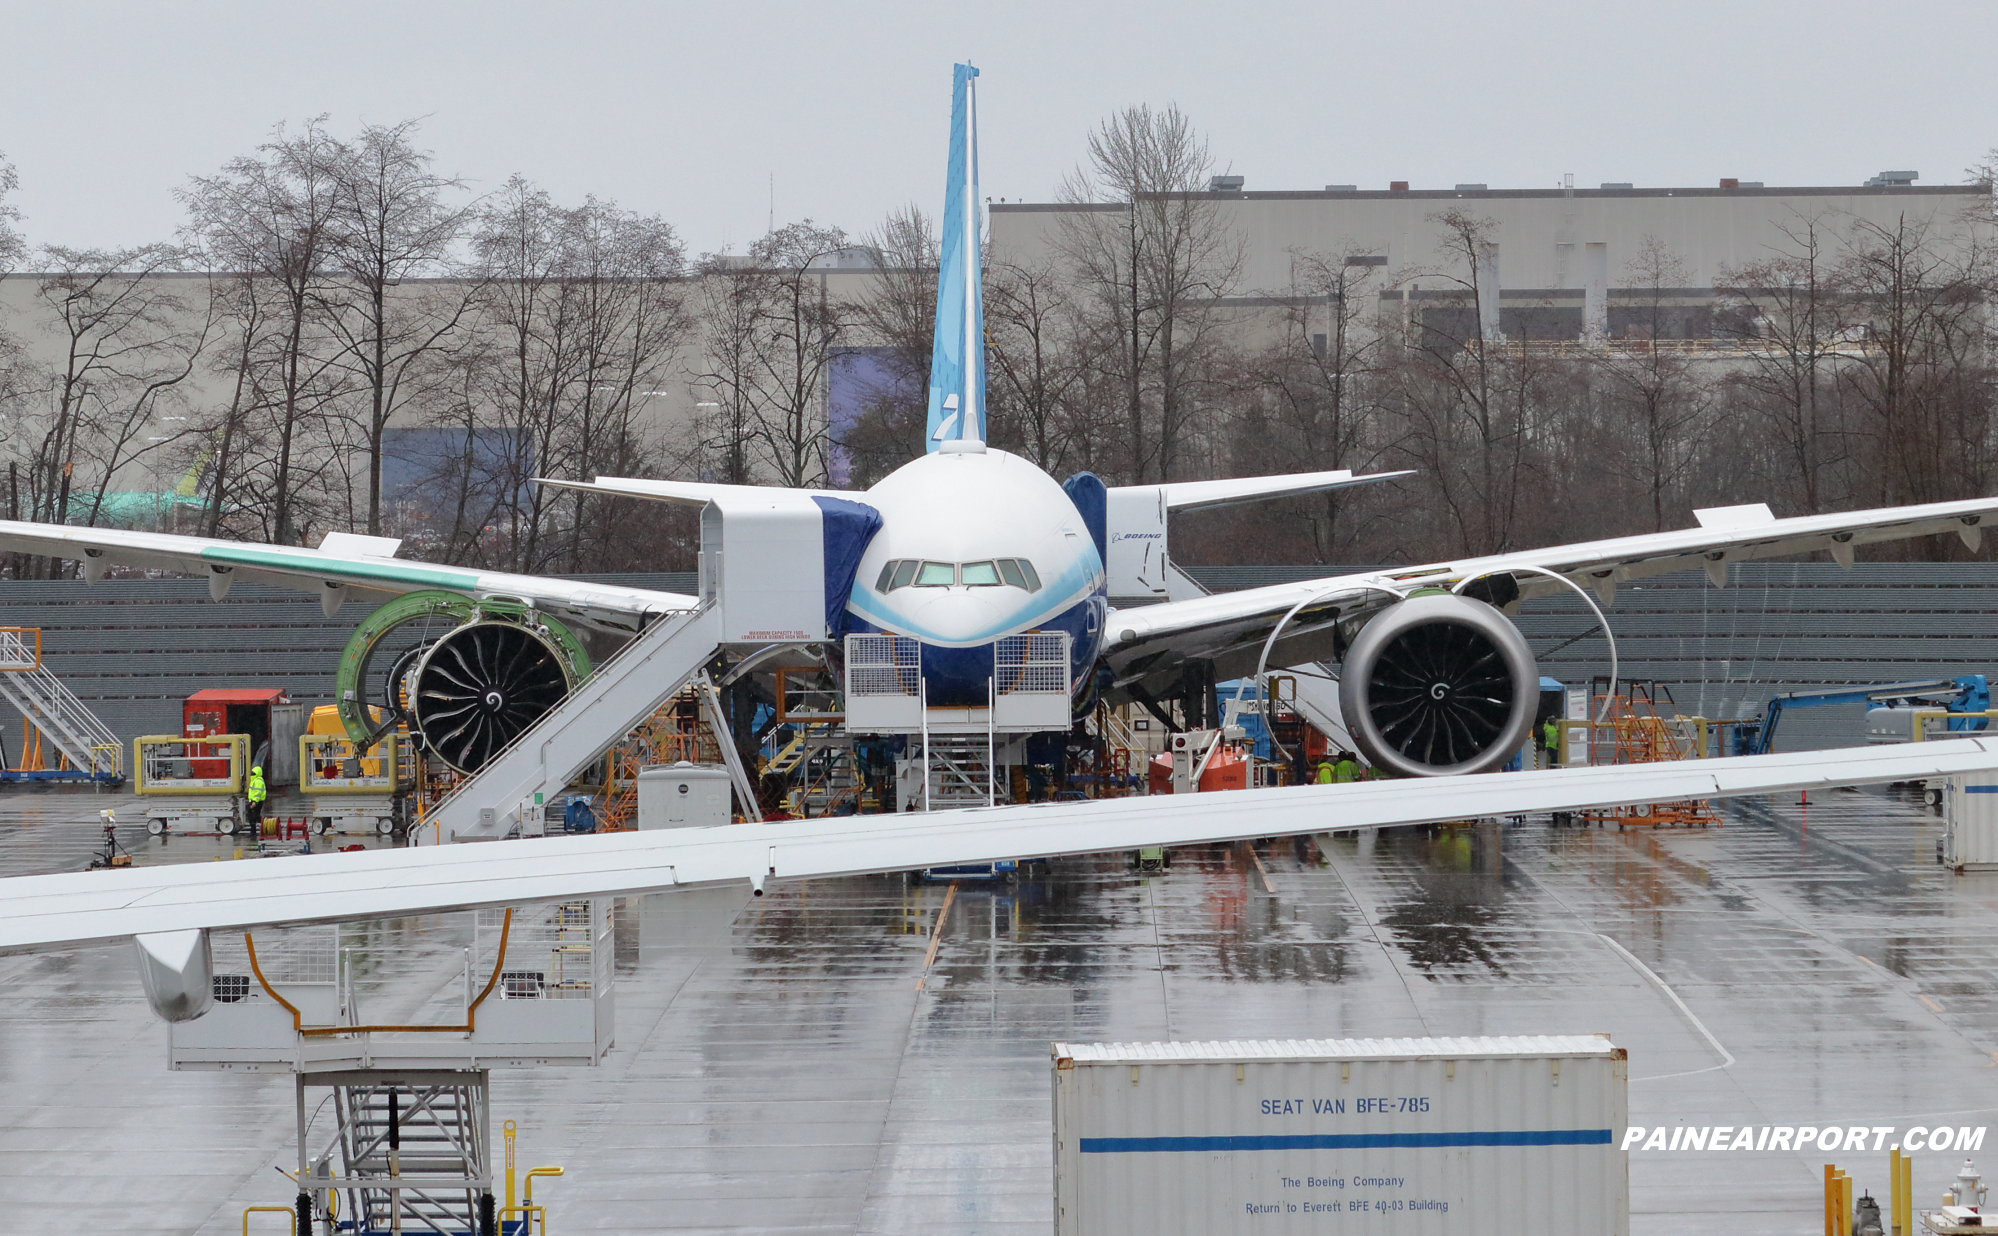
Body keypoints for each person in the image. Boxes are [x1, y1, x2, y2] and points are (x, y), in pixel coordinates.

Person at [246, 764, 267, 830]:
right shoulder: (255, 780)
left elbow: (258, 793)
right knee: (254, 816)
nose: (252, 774)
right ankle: (263, 826)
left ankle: (255, 830)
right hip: (255, 800)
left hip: (256, 801)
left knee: (253, 816)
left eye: (253, 773)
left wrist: (255, 801)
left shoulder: (258, 781)